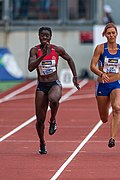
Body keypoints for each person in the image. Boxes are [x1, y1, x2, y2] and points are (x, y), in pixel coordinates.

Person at [28, 26, 80, 154]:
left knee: (54, 99)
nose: (44, 38)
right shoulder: (34, 50)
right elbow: (30, 67)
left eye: (47, 36)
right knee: (40, 120)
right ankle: (42, 142)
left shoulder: (57, 50)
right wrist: (42, 56)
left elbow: (69, 59)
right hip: (41, 85)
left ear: (50, 37)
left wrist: (75, 77)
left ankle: (52, 120)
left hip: (54, 83)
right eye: (42, 35)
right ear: (38, 36)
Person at [90, 23, 120, 148]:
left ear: (116, 34)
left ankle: (112, 138)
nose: (111, 35)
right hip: (102, 85)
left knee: (117, 107)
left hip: (116, 83)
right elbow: (92, 66)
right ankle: (105, 116)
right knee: (104, 118)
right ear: (105, 35)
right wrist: (101, 74)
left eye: (113, 33)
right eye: (109, 33)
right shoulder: (100, 49)